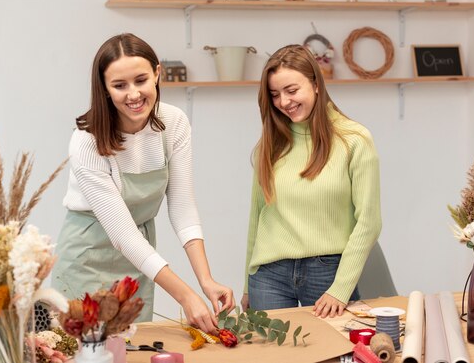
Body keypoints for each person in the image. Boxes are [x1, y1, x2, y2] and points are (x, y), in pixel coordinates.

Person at [52, 33, 234, 332]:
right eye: (119, 85)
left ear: (157, 74)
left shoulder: (173, 123)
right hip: (86, 256)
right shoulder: (86, 141)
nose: (133, 94)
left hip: (140, 260)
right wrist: (185, 295)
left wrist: (205, 281)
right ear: (105, 89)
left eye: (141, 80)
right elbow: (122, 235)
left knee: (132, 350)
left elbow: (183, 208)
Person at [241, 44, 382, 318]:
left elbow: (369, 222)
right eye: (275, 95)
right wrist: (247, 284)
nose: (283, 102)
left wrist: (340, 288)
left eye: (291, 91)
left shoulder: (354, 140)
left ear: (316, 84)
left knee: (330, 356)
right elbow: (257, 218)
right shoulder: (269, 146)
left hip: (328, 274)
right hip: (269, 276)